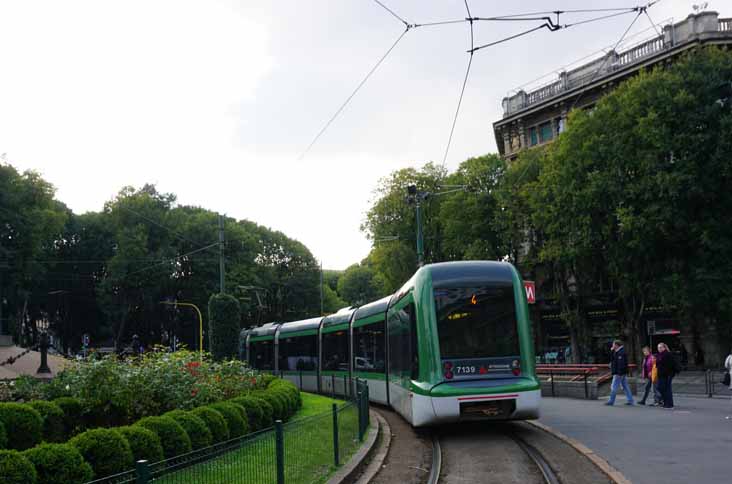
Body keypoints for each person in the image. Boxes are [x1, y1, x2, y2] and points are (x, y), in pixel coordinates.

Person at [605, 339, 635, 406]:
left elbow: (621, 364)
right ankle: (630, 400)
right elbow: (612, 359)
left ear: (616, 345)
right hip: (621, 372)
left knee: (614, 386)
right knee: (625, 386)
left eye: (613, 344)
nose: (612, 345)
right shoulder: (617, 351)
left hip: (619, 373)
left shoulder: (621, 352)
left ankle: (611, 401)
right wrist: (612, 351)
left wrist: (619, 373)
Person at [655, 342, 678, 409]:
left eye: (660, 347)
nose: (659, 349)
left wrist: (669, 374)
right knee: (661, 388)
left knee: (667, 389)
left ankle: (669, 404)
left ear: (664, 347)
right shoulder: (659, 355)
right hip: (661, 374)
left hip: (667, 374)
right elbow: (657, 364)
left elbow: (670, 365)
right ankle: (665, 402)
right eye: (658, 347)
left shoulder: (668, 354)